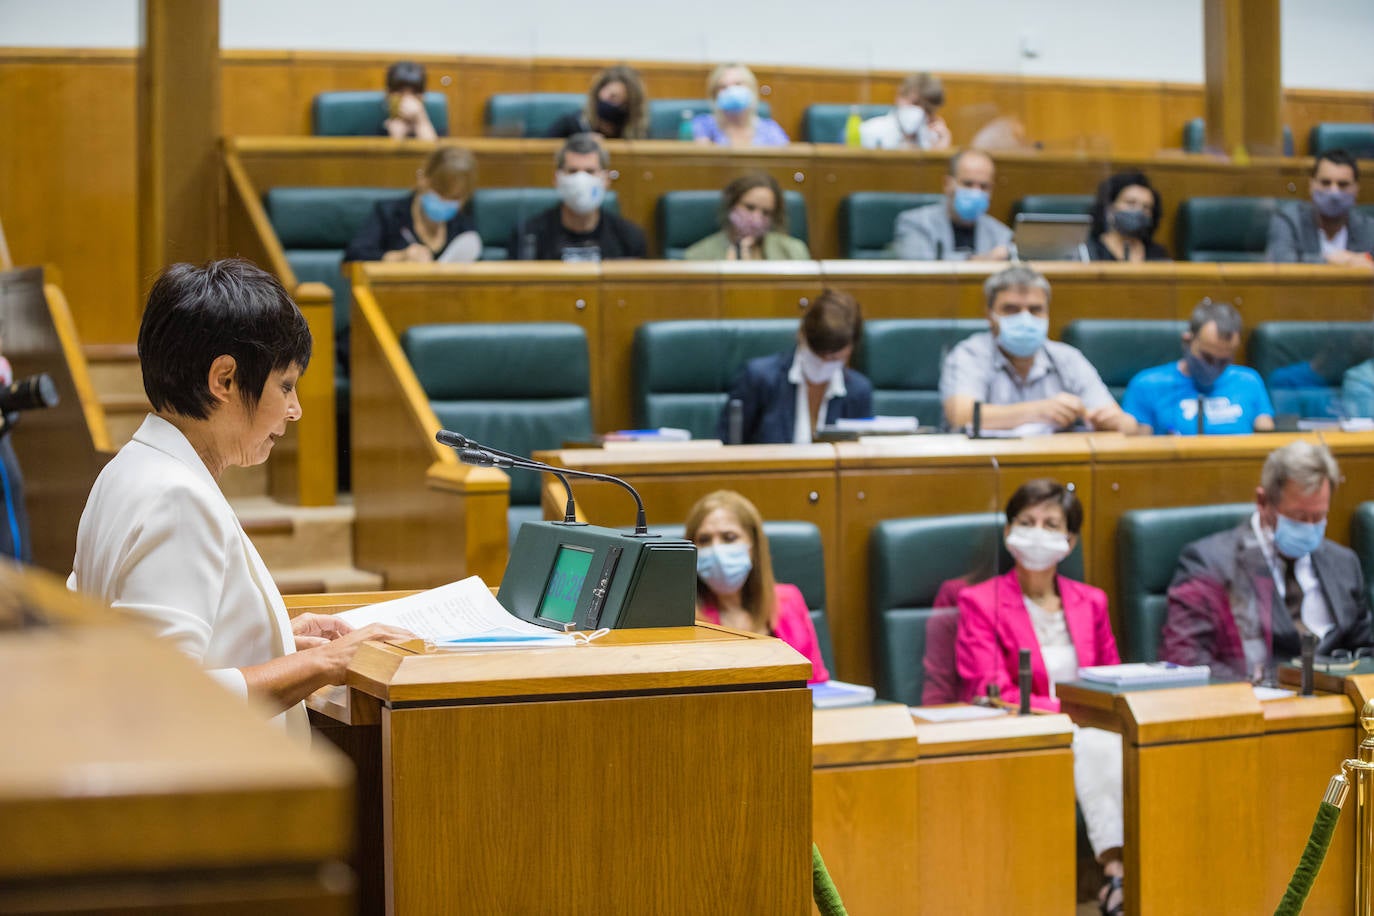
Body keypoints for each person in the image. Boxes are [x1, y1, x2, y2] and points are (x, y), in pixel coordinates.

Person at [68, 260, 411, 738]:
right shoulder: (175, 498)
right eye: (286, 385)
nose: (295, 410)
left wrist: (277, 639)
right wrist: (328, 663)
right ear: (224, 380)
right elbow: (159, 696)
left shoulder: (126, 469)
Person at [953, 479, 1125, 914]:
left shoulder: (1092, 602)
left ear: (1069, 541)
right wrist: (1075, 712)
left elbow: (1111, 681)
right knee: (1097, 743)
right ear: (1009, 533)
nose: (1037, 532)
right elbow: (989, 691)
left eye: (1051, 524)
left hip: (1091, 728)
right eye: (1026, 522)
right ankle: (1117, 875)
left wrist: (1090, 711)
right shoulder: (980, 602)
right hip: (1024, 731)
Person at [1161, 441, 1374, 683]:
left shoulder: (1344, 564)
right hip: (1254, 706)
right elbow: (1186, 659)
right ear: (1263, 502)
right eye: (1299, 517)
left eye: (1318, 517)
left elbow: (1365, 653)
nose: (1309, 527)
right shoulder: (1210, 564)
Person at [940, 264, 1137, 434]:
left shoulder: (1068, 357)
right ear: (989, 315)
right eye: (1011, 309)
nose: (1025, 319)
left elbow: (1127, 426)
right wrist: (1040, 411)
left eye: (1035, 310)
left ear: (1047, 314)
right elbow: (962, 415)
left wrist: (1115, 422)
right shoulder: (969, 354)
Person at [684, 490, 829, 683]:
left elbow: (817, 682)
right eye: (704, 540)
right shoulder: (685, 619)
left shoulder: (788, 601)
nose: (717, 550)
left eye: (729, 537)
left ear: (753, 545)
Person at [718, 288, 872, 444]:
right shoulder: (758, 379)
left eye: (834, 358)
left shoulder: (858, 392)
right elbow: (728, 446)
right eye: (817, 354)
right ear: (801, 335)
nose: (824, 363)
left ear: (851, 348)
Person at [1121, 300, 1275, 435]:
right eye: (1207, 357)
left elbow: (1266, 442)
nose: (1214, 366)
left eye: (1223, 360)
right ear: (1187, 341)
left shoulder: (1249, 381)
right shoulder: (1147, 385)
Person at [509, 133, 647, 262]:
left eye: (590, 171)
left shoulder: (629, 238)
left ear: (606, 180)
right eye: (572, 171)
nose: (581, 179)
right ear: (556, 179)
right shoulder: (529, 238)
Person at [343, 146, 480, 263]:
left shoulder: (462, 224)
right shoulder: (389, 213)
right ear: (423, 179)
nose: (445, 201)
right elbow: (354, 257)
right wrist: (400, 257)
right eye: (440, 192)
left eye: (454, 197)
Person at [893, 149, 1012, 261]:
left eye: (984, 186)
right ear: (947, 184)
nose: (976, 193)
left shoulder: (1001, 234)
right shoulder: (916, 224)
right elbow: (919, 267)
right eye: (968, 184)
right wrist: (977, 261)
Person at [1266, 150, 1374, 265]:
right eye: (1326, 183)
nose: (1334, 193)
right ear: (1311, 185)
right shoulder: (1289, 220)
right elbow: (1280, 262)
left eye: (1343, 184)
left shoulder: (1369, 229)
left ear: (1356, 189)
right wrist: (1333, 261)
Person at [684, 173, 811, 261]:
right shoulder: (697, 256)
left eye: (766, 213)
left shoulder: (794, 252)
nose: (756, 219)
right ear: (731, 204)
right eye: (749, 207)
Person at [691, 64, 789, 148]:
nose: (731, 91)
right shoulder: (703, 125)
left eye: (738, 84)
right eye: (723, 87)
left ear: (752, 89)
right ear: (714, 94)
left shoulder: (770, 129)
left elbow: (787, 162)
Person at [1086, 171, 1171, 262]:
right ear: (1110, 208)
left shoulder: (1158, 255)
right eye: (1131, 203)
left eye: (1146, 207)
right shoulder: (1088, 252)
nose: (1138, 211)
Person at [547, 65, 649, 141]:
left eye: (624, 103)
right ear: (598, 93)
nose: (616, 106)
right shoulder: (570, 125)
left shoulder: (640, 134)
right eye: (613, 97)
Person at [859, 72, 952, 151]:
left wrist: (940, 151)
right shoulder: (869, 131)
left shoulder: (934, 139)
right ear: (900, 96)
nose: (921, 112)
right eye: (915, 103)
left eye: (927, 109)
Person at [382, 60, 439, 140]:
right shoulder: (371, 118)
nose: (407, 99)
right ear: (388, 93)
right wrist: (396, 137)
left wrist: (421, 120)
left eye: (415, 92)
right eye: (400, 92)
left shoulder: (435, 117)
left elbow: (438, 151)